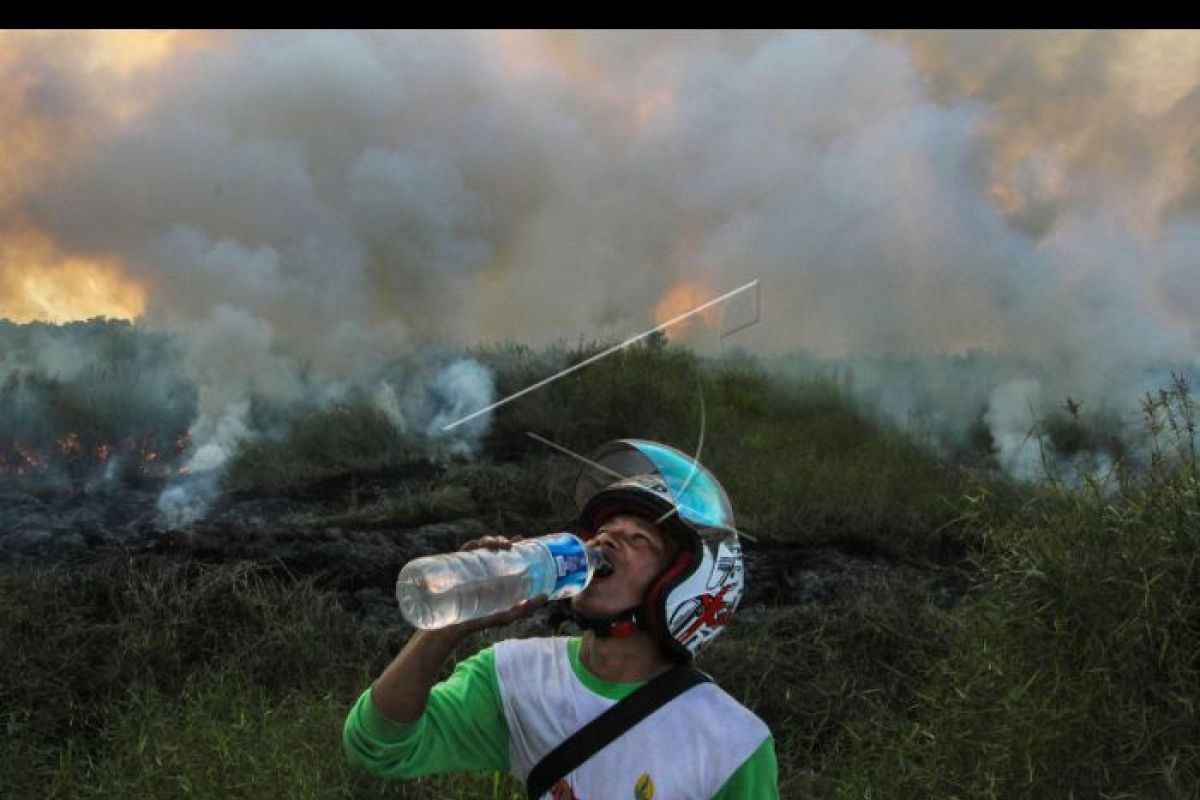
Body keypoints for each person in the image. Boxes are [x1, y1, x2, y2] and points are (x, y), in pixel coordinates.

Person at [342, 439, 779, 799]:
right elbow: (379, 746)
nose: (605, 540)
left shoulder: (732, 743)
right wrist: (450, 624)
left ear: (684, 580)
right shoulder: (515, 675)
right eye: (604, 532)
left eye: (637, 539)